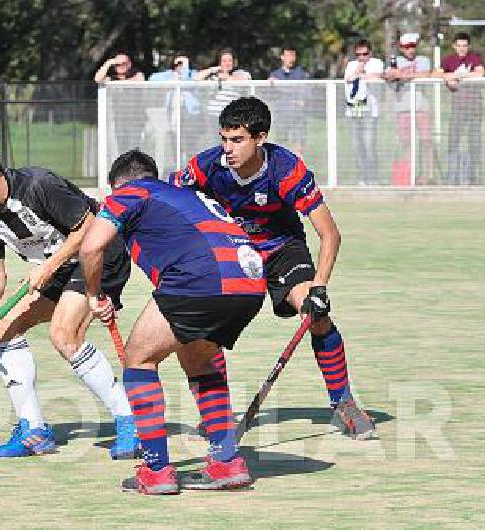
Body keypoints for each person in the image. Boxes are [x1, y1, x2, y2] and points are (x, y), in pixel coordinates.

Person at [169, 96, 376, 441]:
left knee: (316, 314)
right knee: (202, 328)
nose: (228, 149)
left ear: (260, 137)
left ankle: (344, 403)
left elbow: (330, 233)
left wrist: (320, 287)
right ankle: (216, 415)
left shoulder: (286, 169)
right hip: (232, 251)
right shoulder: (207, 165)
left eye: (237, 140)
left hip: (282, 248)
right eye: (224, 138)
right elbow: (170, 198)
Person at [80, 149, 267, 494]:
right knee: (197, 359)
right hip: (250, 280)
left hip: (203, 279)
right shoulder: (185, 194)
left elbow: (92, 247)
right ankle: (226, 463)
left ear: (117, 185)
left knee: (139, 359)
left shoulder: (129, 193)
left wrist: (94, 296)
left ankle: (156, 470)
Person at [0, 147, 138, 459]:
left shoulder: (38, 184)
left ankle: (129, 419)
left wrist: (48, 268)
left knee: (64, 334)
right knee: (5, 328)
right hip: (57, 268)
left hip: (99, 257)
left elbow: (90, 228)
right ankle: (34, 430)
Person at [383, 32, 435, 185]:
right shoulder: (395, 61)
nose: (410, 50)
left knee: (426, 141)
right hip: (403, 108)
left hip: (421, 107)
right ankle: (408, 175)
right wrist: (399, 74)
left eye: (412, 46)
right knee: (405, 142)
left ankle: (428, 175)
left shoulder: (423, 60)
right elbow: (389, 75)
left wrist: (401, 74)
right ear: (401, 48)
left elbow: (424, 74)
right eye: (406, 47)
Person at [437, 32, 485, 185]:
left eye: (465, 46)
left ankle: (471, 177)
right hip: (457, 109)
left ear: (468, 46)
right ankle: (452, 176)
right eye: (459, 46)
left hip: (474, 109)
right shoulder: (448, 60)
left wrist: (458, 76)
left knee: (474, 142)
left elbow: (480, 74)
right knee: (453, 141)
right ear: (454, 46)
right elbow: (436, 74)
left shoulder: (474, 58)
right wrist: (448, 78)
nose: (462, 49)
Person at [343, 39, 384, 185]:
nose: (362, 57)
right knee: (356, 146)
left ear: (370, 53)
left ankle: (373, 178)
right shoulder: (351, 65)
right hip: (354, 111)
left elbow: (378, 77)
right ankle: (362, 177)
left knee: (369, 145)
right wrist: (357, 71)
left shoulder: (376, 63)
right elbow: (348, 79)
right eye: (358, 54)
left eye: (365, 54)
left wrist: (363, 74)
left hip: (370, 111)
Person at [268, 44, 311, 158]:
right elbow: (270, 95)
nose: (291, 58)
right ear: (282, 57)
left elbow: (305, 95)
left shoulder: (301, 74)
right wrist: (272, 85)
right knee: (281, 150)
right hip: (281, 117)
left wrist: (280, 87)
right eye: (288, 55)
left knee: (298, 151)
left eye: (293, 55)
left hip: (298, 118)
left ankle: (299, 175)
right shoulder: (275, 75)